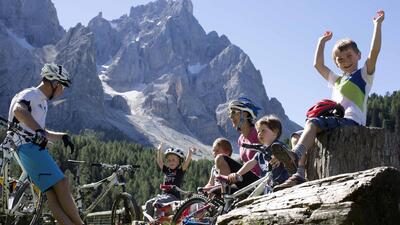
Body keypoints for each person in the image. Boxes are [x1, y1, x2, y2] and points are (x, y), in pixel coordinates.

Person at [272, 10, 385, 191]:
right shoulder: (337, 80)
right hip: (337, 121)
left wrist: (377, 25)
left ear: (358, 55)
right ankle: (299, 174)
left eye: (349, 55)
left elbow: (375, 51)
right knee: (295, 136)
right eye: (340, 59)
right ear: (337, 64)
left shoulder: (363, 75)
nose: (345, 61)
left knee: (313, 122)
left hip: (352, 122)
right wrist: (321, 42)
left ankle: (296, 154)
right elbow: (318, 65)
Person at [7, 63, 84, 225]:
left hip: (28, 149)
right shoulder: (31, 94)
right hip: (28, 148)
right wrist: (39, 132)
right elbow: (18, 111)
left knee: (52, 196)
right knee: (62, 183)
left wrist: (62, 137)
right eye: (62, 86)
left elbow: (42, 132)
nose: (62, 90)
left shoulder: (41, 102)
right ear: (55, 83)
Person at [228, 115, 289, 186]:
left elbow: (287, 155)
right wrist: (238, 174)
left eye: (263, 131)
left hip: (281, 181)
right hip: (266, 182)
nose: (260, 134)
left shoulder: (278, 145)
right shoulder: (261, 150)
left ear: (275, 132)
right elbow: (251, 163)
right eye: (258, 132)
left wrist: (279, 157)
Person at [215, 97, 261, 190]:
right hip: (246, 179)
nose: (230, 116)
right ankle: (228, 193)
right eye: (229, 113)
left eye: (233, 112)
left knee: (220, 158)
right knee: (215, 190)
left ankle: (228, 192)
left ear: (244, 114)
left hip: (260, 180)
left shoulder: (257, 132)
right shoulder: (240, 139)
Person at [144, 143, 195, 220]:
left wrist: (190, 153)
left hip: (173, 197)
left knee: (158, 203)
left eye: (173, 160)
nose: (171, 162)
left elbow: (186, 163)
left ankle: (157, 220)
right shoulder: (167, 170)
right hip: (164, 196)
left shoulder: (179, 171)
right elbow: (159, 162)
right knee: (148, 203)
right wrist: (159, 150)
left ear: (179, 161)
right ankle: (147, 222)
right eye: (169, 160)